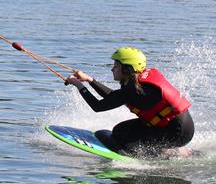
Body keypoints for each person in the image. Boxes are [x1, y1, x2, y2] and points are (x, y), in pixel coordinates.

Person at [64, 47, 194, 156]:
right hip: (172, 125)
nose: (112, 69)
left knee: (124, 145)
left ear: (127, 69)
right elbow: (114, 96)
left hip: (177, 133)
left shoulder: (135, 90)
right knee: (120, 131)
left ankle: (170, 153)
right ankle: (165, 149)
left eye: (116, 66)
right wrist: (89, 80)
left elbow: (98, 106)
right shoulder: (135, 83)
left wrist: (78, 85)